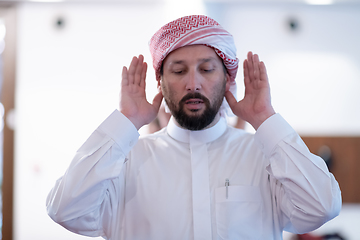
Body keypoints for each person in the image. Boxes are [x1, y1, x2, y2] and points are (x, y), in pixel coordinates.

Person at [46, 15, 341, 240]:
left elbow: (322, 207)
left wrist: (266, 120)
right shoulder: (125, 159)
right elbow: (65, 211)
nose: (193, 83)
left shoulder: (264, 156)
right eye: (178, 71)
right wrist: (126, 121)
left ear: (227, 79)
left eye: (207, 69)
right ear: (160, 82)